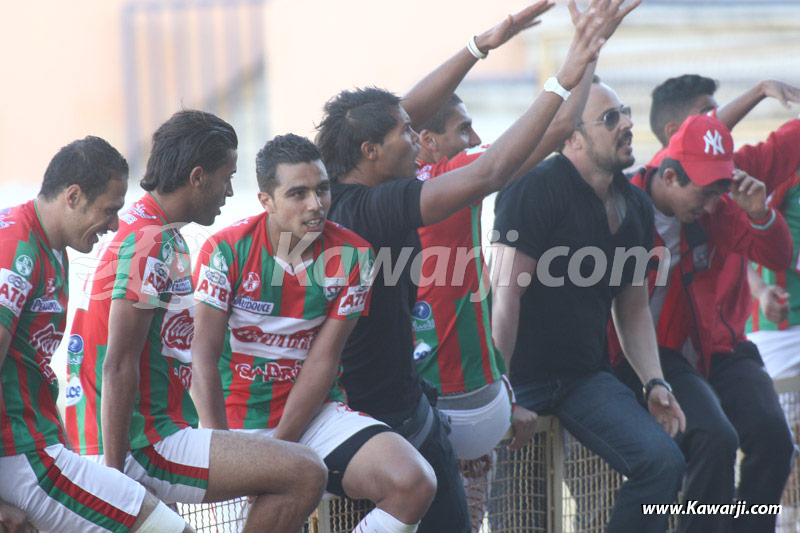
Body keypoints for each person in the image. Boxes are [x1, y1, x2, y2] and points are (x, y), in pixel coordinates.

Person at [315, 1, 607, 529]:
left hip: (397, 408)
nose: (414, 137)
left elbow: (398, 112)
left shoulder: (343, 176)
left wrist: (480, 46)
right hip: (385, 418)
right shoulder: (374, 208)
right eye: (406, 135)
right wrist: (572, 67)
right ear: (370, 152)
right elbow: (493, 171)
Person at [63, 111, 327, 533]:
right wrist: (115, 480)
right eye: (228, 176)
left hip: (138, 435)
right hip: (140, 444)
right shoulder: (151, 241)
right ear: (198, 176)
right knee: (305, 472)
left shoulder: (154, 231)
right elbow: (116, 362)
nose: (230, 190)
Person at [190, 133, 437, 533]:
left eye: (322, 190)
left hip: (312, 415)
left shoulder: (356, 255)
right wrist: (227, 454)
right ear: (265, 201)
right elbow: (201, 354)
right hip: (232, 424)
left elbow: (324, 360)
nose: (315, 204)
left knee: (414, 483)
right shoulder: (225, 249)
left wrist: (279, 449)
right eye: (298, 194)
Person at [491, 78, 687, 531]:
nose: (628, 124)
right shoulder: (532, 190)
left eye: (626, 111)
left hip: (584, 377)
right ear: (572, 136)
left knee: (661, 462)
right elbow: (505, 298)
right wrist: (505, 394)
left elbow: (633, 309)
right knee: (522, 522)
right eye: (611, 118)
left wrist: (655, 382)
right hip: (521, 379)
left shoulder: (635, 204)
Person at [609, 112, 793, 533]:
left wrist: (760, 212)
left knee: (773, 438)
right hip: (641, 357)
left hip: (714, 348)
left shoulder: (717, 209)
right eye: (706, 193)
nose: (714, 204)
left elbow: (778, 257)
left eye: (719, 192)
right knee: (715, 438)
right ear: (671, 177)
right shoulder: (620, 204)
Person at [0, 136, 192, 532]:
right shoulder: (15, 249)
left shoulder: (49, 247)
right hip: (22, 455)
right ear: (73, 196)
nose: (115, 225)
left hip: (39, 447)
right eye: (109, 210)